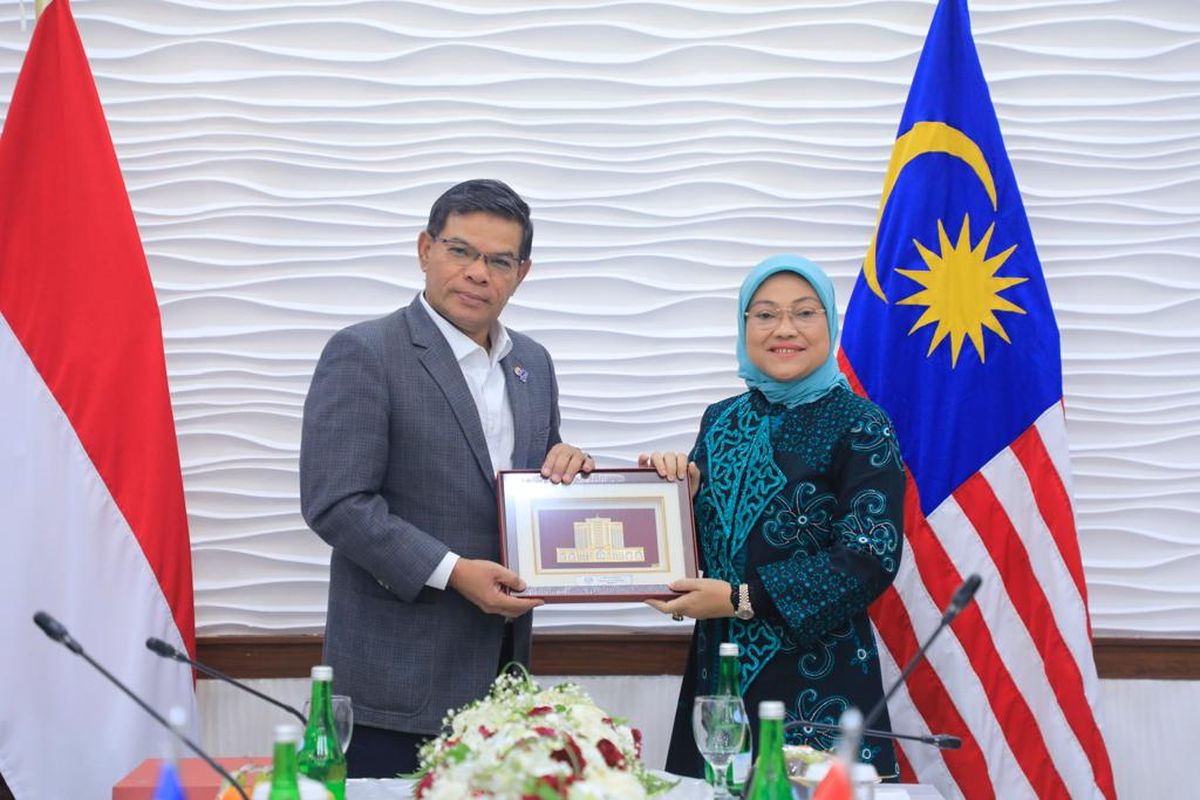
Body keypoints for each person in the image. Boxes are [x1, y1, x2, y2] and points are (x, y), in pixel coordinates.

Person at [299, 179, 593, 777]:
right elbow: (337, 502)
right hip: (393, 686)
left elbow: (521, 485)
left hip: (501, 687)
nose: (478, 273)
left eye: (499, 260)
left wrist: (566, 465)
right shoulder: (365, 352)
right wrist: (454, 572)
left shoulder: (532, 363)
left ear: (522, 272)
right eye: (461, 251)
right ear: (425, 249)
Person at [642, 254, 904, 779]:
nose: (784, 329)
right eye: (764, 315)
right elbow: (715, 548)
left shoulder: (860, 424)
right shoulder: (721, 421)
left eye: (804, 313)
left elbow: (870, 556)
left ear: (830, 324)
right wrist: (676, 503)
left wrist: (742, 599)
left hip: (817, 680)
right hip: (721, 675)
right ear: (744, 327)